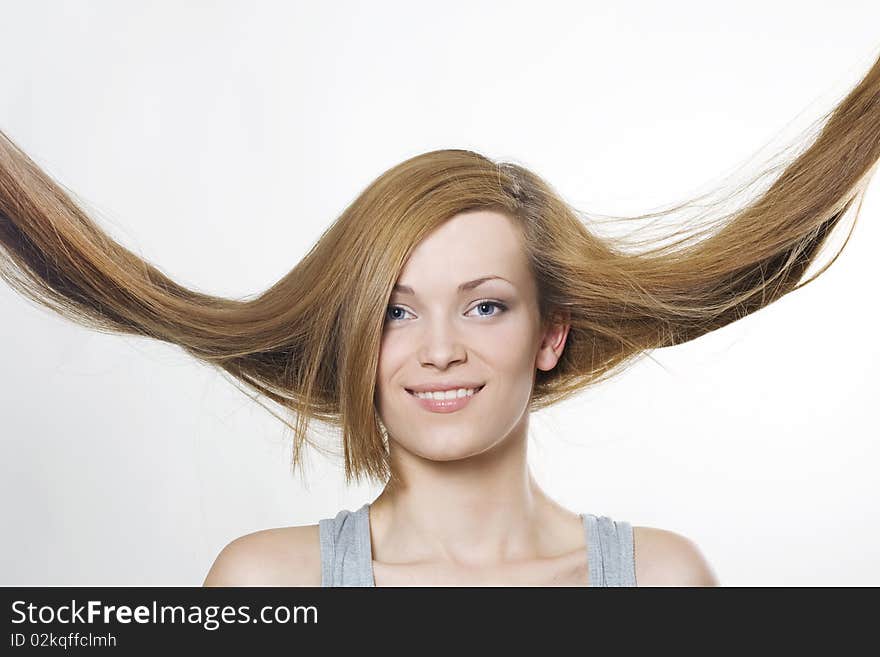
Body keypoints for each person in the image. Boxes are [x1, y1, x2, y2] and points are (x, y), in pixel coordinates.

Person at [2, 53, 878, 587]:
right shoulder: (266, 583)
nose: (441, 350)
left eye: (485, 305)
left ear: (549, 331)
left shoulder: (661, 581)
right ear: (357, 340)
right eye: (395, 313)